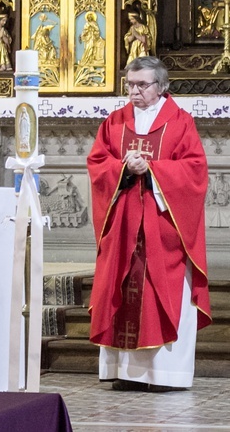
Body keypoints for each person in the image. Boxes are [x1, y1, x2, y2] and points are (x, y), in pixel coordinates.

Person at [87, 56, 212, 392]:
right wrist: (124, 169)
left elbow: (195, 170)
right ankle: (126, 372)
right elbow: (98, 163)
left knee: (162, 292)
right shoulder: (115, 122)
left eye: (142, 85)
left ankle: (166, 375)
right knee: (122, 287)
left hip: (164, 227)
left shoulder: (180, 122)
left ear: (161, 86)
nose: (134, 91)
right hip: (125, 224)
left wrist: (153, 169)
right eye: (130, 84)